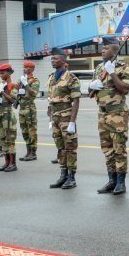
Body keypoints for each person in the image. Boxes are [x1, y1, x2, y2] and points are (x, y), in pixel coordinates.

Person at [89, 36, 129, 195]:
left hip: (117, 114)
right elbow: (91, 92)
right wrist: (91, 86)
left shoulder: (123, 68)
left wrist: (113, 73)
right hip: (102, 114)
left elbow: (125, 89)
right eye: (102, 47)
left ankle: (121, 182)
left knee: (119, 149)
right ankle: (111, 180)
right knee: (107, 149)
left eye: (106, 48)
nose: (102, 50)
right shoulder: (99, 68)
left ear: (115, 50)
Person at [47, 47, 81, 190]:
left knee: (70, 148)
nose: (52, 61)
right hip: (55, 117)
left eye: (55, 59)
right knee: (60, 148)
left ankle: (71, 177)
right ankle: (63, 174)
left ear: (63, 59)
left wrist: (72, 122)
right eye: (51, 59)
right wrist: (50, 118)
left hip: (66, 117)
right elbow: (51, 99)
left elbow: (76, 101)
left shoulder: (71, 78)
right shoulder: (51, 77)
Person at [0, 63, 19, 172]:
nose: (1, 75)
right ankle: (6, 162)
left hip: (7, 114)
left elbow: (13, 100)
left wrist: (3, 92)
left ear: (9, 73)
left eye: (3, 73)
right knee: (2, 139)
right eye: (0, 73)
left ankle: (13, 163)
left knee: (10, 139)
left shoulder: (13, 85)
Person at [17, 61, 41, 162]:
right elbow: (16, 91)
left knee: (32, 130)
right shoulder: (21, 79)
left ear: (31, 69)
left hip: (29, 107)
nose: (24, 69)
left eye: (26, 67)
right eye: (24, 67)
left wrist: (26, 84)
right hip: (22, 108)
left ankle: (33, 152)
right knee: (24, 131)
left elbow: (34, 93)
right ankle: (28, 150)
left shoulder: (34, 80)